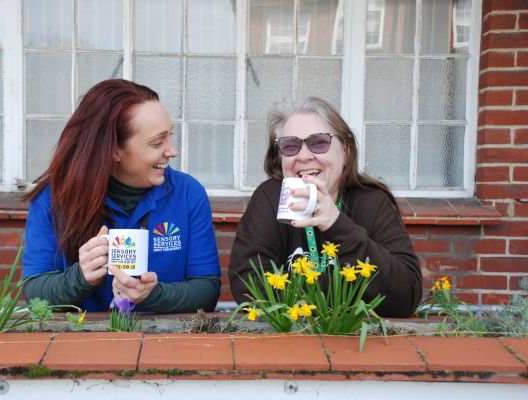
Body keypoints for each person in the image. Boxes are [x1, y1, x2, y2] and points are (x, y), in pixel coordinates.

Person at [22, 79, 221, 313]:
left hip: (166, 340)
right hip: (81, 342)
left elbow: (207, 290)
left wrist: (154, 295)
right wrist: (79, 278)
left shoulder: (187, 193)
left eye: (170, 136)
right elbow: (34, 292)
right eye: (157, 142)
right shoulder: (54, 198)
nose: (172, 151)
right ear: (114, 150)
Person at [228, 97, 422, 318]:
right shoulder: (270, 198)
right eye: (290, 146)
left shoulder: (372, 202)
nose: (303, 156)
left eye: (318, 142)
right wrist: (347, 300)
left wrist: (337, 225)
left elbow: (406, 295)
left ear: (346, 151)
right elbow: (248, 286)